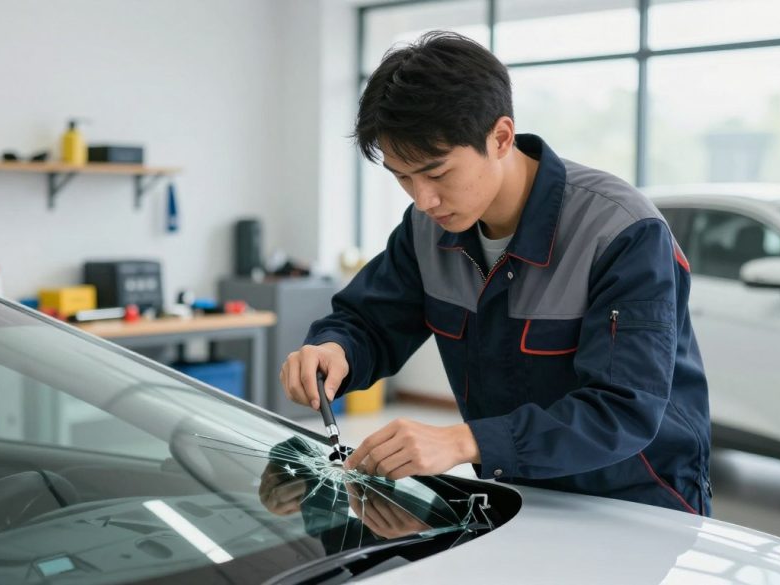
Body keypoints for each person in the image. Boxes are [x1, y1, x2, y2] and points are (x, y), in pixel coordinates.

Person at [279, 31, 712, 515]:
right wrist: (334, 348)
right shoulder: (427, 229)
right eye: (402, 176)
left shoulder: (621, 232)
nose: (423, 199)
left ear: (501, 137)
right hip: (516, 499)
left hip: (638, 504)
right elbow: (370, 320)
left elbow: (622, 411)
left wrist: (464, 442)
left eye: (438, 173)